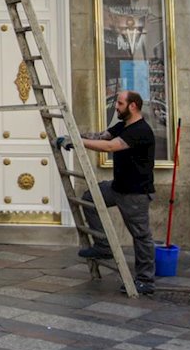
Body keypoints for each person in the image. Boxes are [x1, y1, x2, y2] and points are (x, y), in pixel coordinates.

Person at [59, 90, 156, 296]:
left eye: (120, 103)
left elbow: (110, 146)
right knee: (89, 198)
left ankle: (145, 280)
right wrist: (72, 137)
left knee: (141, 236)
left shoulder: (141, 130)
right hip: (118, 186)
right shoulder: (123, 125)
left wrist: (78, 143)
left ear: (132, 106)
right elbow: (103, 136)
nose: (116, 107)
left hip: (135, 193)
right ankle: (103, 246)